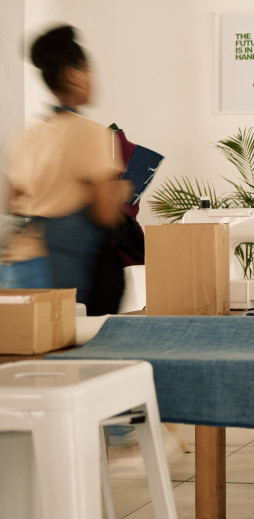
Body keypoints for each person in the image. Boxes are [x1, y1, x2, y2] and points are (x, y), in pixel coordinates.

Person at [0, 25, 129, 310]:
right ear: (74, 74)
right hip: (61, 267)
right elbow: (104, 212)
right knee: (66, 345)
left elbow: (14, 200)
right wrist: (118, 191)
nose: (93, 80)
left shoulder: (26, 133)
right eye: (89, 71)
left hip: (17, 260)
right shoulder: (92, 133)